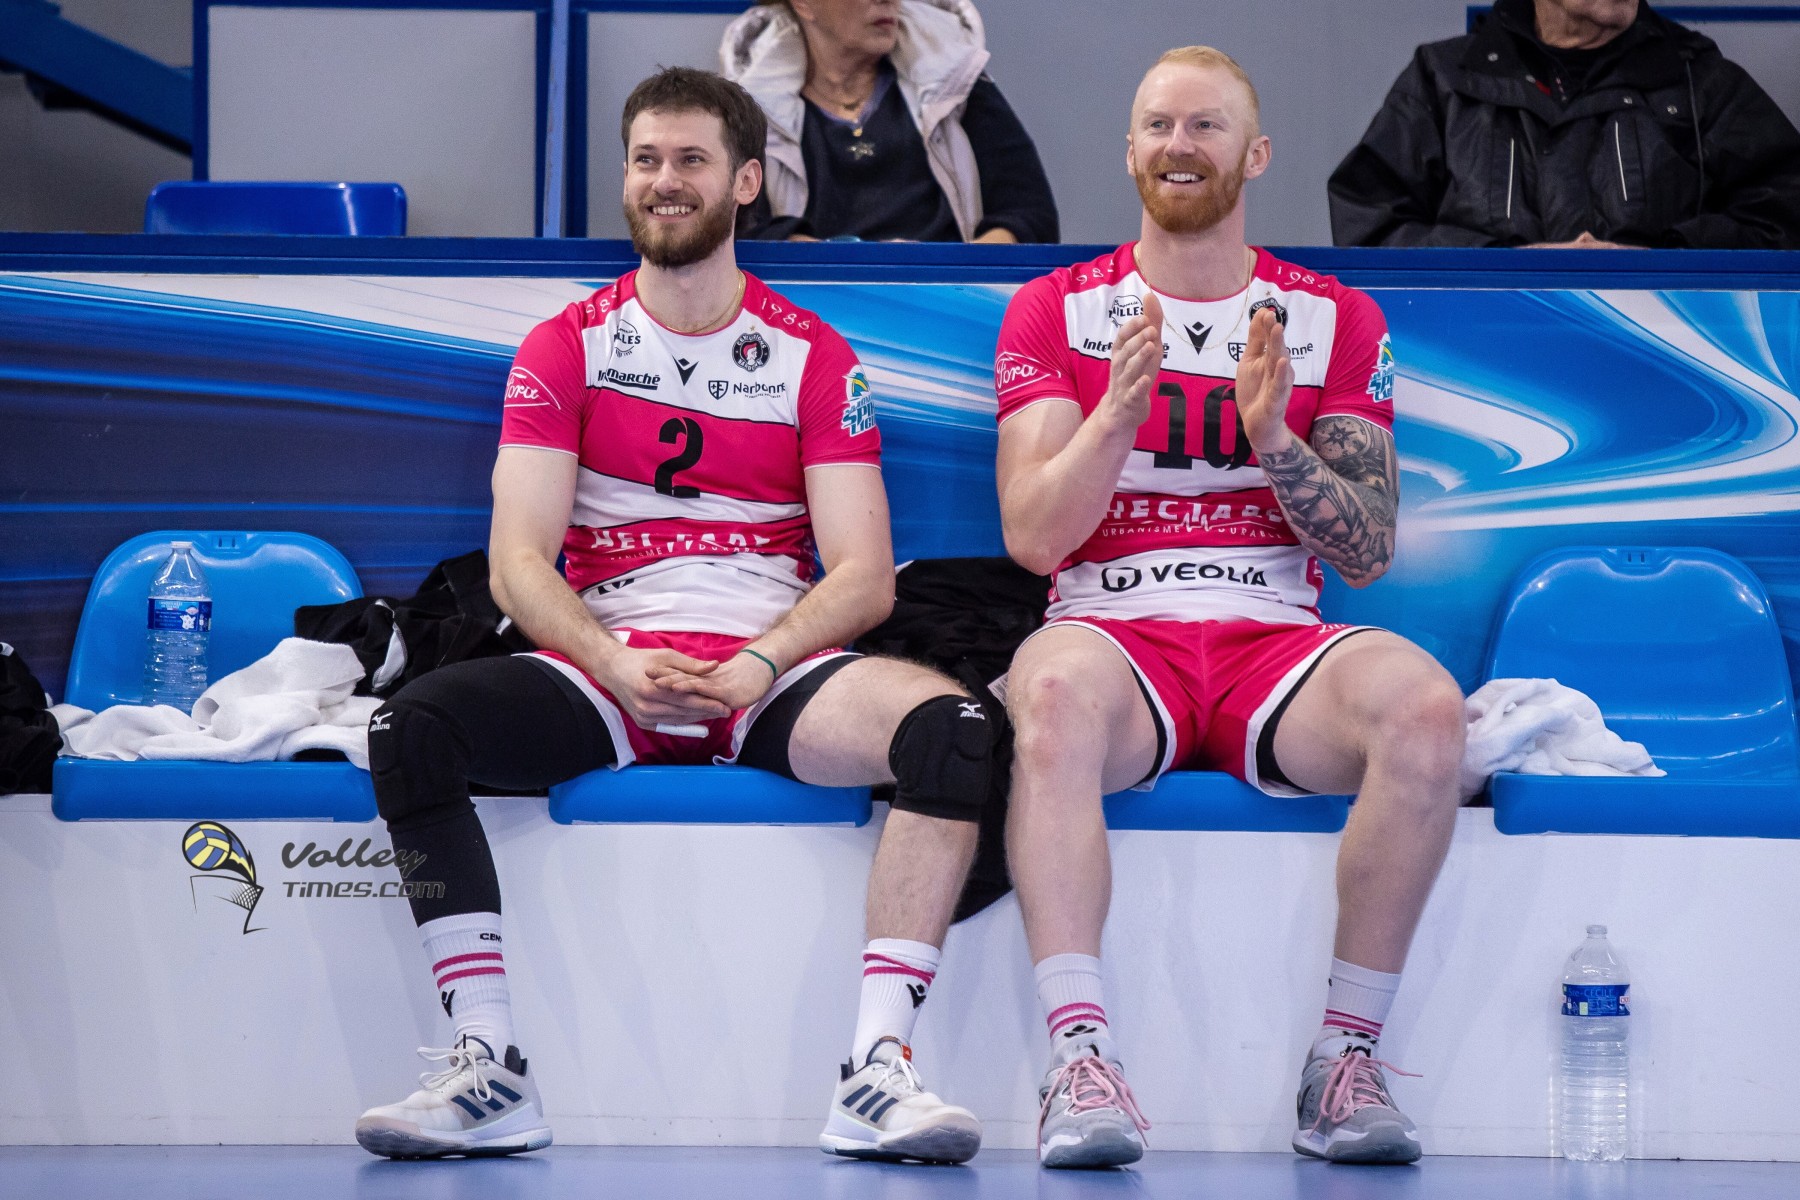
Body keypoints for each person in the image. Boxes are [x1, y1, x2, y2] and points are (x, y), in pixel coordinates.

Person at [353, 67, 997, 1165]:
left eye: (691, 159)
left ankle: (877, 1071)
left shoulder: (813, 354)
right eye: (646, 159)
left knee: (955, 729)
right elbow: (517, 563)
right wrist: (609, 659)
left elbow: (864, 578)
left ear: (745, 181)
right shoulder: (566, 346)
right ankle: (488, 1065)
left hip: (769, 670)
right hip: (606, 666)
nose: (664, 181)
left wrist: (760, 662)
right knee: (409, 729)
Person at [992, 46, 1467, 1168]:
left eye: (1206, 127)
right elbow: (1034, 539)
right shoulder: (1057, 308)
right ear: (1128, 150)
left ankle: (1344, 1065)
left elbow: (1367, 548)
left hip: (1275, 638)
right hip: (1111, 630)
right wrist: (1115, 419)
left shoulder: (1333, 316)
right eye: (1159, 125)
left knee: (1429, 711)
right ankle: (1080, 1061)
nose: (1180, 146)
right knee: (1047, 696)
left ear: (1254, 155)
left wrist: (1273, 438)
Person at [1328, 0, 1800, 249]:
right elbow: (1370, 228)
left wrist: (1661, 264)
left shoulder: (1701, 80)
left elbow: (1784, 220)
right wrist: (1503, 266)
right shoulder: (1443, 78)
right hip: (1482, 370)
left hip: (1662, 367)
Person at [721, 0, 1058, 243]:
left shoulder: (955, 84)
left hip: (951, 303)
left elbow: (1031, 215)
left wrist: (946, 273)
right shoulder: (754, 110)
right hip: (814, 307)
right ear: (804, 4)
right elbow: (737, 227)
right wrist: (832, 268)